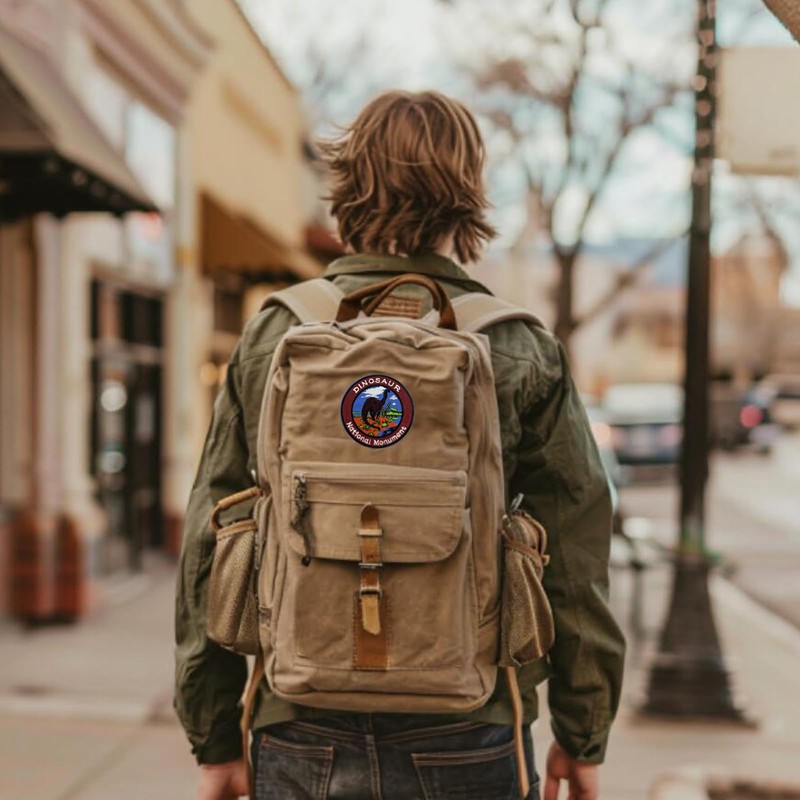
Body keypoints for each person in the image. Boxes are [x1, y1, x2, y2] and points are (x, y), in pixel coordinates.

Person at [175, 89, 625, 800]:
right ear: (466, 194)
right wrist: (583, 731)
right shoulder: (514, 345)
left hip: (298, 719)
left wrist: (212, 735)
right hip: (472, 721)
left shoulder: (276, 335)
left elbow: (214, 531)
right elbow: (575, 550)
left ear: (348, 185)